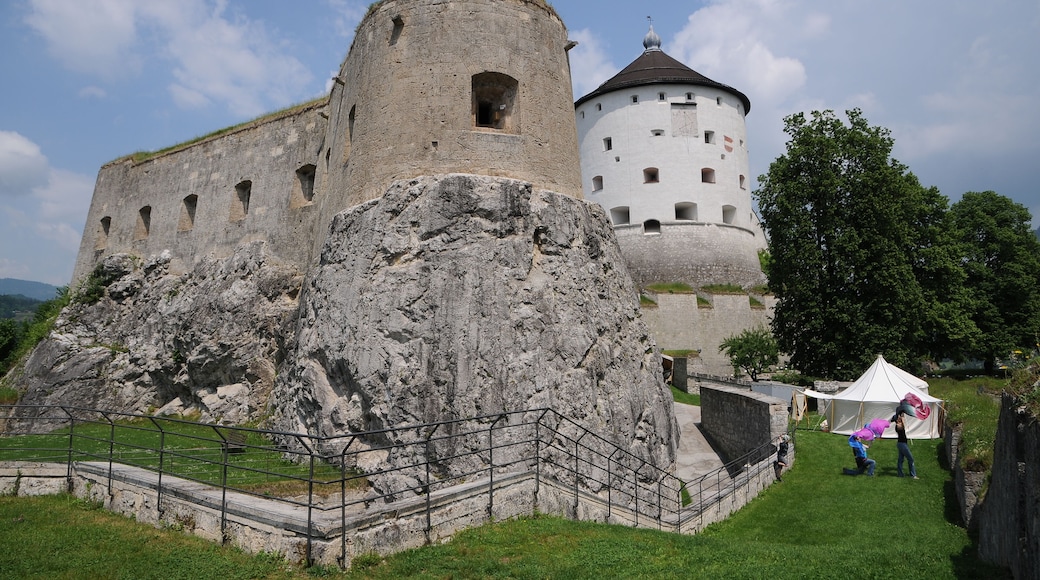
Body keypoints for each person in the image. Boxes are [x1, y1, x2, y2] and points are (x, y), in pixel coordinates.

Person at [895, 415, 918, 479]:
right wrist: (901, 420)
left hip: (901, 444)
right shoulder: (897, 426)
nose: (901, 420)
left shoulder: (901, 425)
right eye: (898, 419)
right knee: (911, 459)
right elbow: (900, 427)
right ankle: (913, 475)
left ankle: (900, 474)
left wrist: (902, 418)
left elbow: (902, 426)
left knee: (900, 459)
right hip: (902, 445)